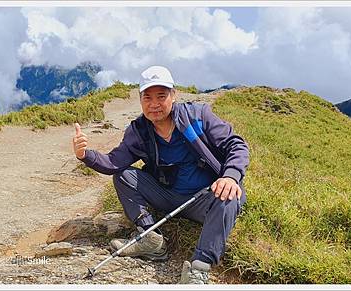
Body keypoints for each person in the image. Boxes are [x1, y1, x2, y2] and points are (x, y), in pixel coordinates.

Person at [72, 66, 249, 284]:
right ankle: (151, 239)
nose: (154, 104)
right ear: (140, 100)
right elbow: (113, 162)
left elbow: (236, 145)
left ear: (173, 96)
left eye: (161, 96)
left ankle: (199, 268)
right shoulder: (138, 131)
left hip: (204, 198)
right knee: (123, 175)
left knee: (232, 195)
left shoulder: (198, 116)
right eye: (147, 97)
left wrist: (231, 176)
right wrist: (84, 155)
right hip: (166, 195)